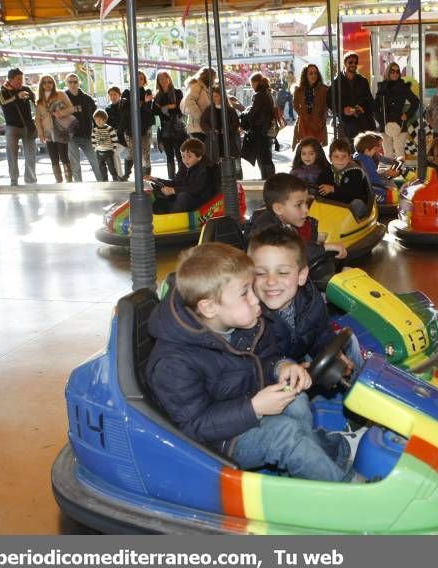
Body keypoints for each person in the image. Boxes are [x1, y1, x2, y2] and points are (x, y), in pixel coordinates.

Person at [144, 243, 351, 482]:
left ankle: (320, 460)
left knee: (297, 401)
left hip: (244, 405)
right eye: (245, 293)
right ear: (209, 307)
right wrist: (254, 408)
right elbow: (194, 425)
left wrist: (282, 367)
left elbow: (266, 358)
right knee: (284, 435)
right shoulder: (173, 362)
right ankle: (345, 494)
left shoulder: (240, 325)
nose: (256, 301)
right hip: (215, 442)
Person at [248, 225, 360, 376]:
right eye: (260, 273)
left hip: (303, 358)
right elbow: (258, 363)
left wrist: (333, 354)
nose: (271, 281)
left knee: (349, 341)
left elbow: (321, 334)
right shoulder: (251, 317)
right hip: (273, 376)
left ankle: (359, 386)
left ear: (301, 276)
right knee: (298, 400)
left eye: (282, 272)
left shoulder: (311, 299)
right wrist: (287, 367)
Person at [247, 172, 347, 263]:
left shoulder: (285, 222)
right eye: (298, 205)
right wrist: (324, 248)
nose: (306, 210)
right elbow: (293, 253)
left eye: (306, 203)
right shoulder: (266, 230)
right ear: (278, 208)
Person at [143, 138, 214, 214]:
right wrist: (156, 180)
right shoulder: (185, 166)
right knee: (154, 191)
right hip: (184, 198)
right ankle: (151, 213)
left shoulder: (205, 169)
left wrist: (173, 190)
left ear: (199, 157)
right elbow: (176, 182)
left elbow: (195, 189)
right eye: (183, 156)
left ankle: (170, 218)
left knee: (183, 197)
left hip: (199, 201)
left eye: (189, 156)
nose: (185, 160)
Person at [0, 68, 37, 186]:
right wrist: (17, 97)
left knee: (30, 154)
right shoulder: (2, 92)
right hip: (12, 127)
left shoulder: (26, 89)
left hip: (28, 126)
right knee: (12, 154)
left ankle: (30, 180)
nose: (21, 81)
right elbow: (4, 103)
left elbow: (36, 102)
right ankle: (14, 179)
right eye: (18, 79)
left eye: (22, 79)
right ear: (10, 79)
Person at [327, 52, 375, 143]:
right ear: (345, 63)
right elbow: (330, 102)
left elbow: (369, 100)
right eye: (350, 62)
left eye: (355, 63)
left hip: (363, 121)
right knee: (349, 148)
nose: (353, 64)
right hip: (345, 122)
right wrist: (342, 110)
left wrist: (363, 108)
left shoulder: (363, 81)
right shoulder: (336, 82)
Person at [317, 138, 371, 218]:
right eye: (336, 156)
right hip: (335, 206)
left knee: (357, 203)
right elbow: (319, 186)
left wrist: (333, 189)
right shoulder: (327, 171)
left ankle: (345, 223)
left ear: (349, 157)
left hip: (352, 204)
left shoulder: (355, 172)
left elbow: (354, 193)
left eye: (344, 156)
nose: (340, 160)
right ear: (330, 158)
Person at [34, 74, 74, 183]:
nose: (47, 84)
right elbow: (37, 118)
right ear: (41, 85)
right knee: (53, 158)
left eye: (50, 82)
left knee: (64, 156)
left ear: (53, 83)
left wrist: (61, 113)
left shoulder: (60, 94)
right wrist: (40, 133)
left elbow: (71, 109)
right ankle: (59, 182)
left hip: (60, 129)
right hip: (47, 132)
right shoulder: (39, 100)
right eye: (45, 82)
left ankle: (69, 181)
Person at [375, 62, 419, 160]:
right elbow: (375, 106)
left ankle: (401, 174)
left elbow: (415, 102)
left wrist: (407, 115)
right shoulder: (382, 87)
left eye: (397, 71)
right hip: (385, 124)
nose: (395, 73)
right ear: (388, 72)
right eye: (392, 71)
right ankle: (390, 174)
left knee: (399, 151)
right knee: (388, 153)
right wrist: (380, 120)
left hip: (400, 123)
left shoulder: (403, 87)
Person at [64, 73, 102, 182]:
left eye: (75, 81)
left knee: (95, 162)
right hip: (71, 136)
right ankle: (79, 187)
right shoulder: (63, 98)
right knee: (75, 165)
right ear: (66, 83)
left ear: (78, 83)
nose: (73, 84)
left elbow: (96, 115)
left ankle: (102, 183)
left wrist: (96, 130)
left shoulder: (87, 98)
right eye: (70, 82)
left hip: (86, 135)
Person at [153, 71, 186, 180]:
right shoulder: (158, 95)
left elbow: (180, 109)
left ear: (169, 79)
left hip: (177, 128)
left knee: (180, 155)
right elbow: (155, 111)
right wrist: (169, 106)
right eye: (160, 79)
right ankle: (171, 179)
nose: (162, 81)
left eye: (164, 78)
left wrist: (163, 107)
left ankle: (181, 178)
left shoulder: (177, 92)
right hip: (165, 129)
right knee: (169, 157)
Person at [242, 72, 275, 180]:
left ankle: (267, 181)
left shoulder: (259, 95)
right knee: (266, 157)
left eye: (252, 84)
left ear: (256, 83)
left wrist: (243, 114)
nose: (252, 87)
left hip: (260, 131)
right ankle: (269, 181)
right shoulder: (267, 93)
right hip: (266, 130)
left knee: (263, 158)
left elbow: (253, 113)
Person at [353, 131, 399, 204]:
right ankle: (390, 205)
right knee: (390, 193)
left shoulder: (357, 156)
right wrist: (385, 186)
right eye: (374, 149)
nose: (376, 151)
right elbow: (373, 179)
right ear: (367, 150)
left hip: (362, 186)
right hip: (367, 188)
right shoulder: (367, 160)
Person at [200, 86, 240, 167]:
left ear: (222, 96)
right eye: (213, 96)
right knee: (215, 163)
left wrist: (226, 130)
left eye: (216, 96)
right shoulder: (209, 110)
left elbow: (236, 123)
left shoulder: (230, 110)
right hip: (214, 141)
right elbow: (203, 123)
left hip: (228, 140)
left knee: (233, 164)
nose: (214, 98)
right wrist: (211, 130)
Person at [291, 64, 329, 149]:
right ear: (306, 75)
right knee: (305, 151)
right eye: (310, 73)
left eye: (315, 73)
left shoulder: (324, 89)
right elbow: (295, 105)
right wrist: (303, 115)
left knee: (316, 152)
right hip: (304, 126)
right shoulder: (299, 90)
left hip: (318, 126)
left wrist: (322, 117)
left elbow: (326, 106)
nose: (313, 75)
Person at [183, 67, 215, 143]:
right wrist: (201, 117)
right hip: (197, 128)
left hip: (202, 127)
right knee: (202, 152)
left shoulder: (206, 88)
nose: (214, 80)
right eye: (214, 77)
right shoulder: (197, 86)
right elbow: (189, 101)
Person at [91, 109, 120, 182]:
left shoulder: (109, 129)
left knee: (111, 167)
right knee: (102, 167)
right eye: (96, 120)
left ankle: (115, 178)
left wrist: (113, 149)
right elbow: (93, 139)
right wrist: (95, 148)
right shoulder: (95, 130)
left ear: (104, 120)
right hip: (99, 152)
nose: (98, 122)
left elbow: (114, 139)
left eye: (100, 120)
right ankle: (105, 180)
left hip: (108, 151)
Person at [105, 86, 126, 179]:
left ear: (119, 95)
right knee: (113, 154)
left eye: (115, 94)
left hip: (125, 137)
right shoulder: (107, 109)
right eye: (111, 95)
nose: (113, 96)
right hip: (114, 137)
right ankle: (119, 176)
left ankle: (119, 176)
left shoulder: (124, 106)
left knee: (114, 153)